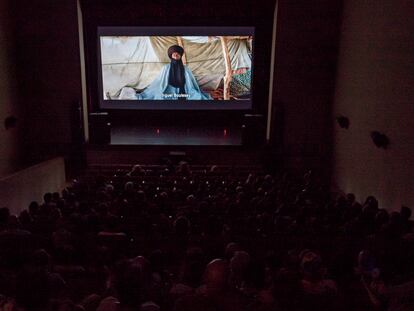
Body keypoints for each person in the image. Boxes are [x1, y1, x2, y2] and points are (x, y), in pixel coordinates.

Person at [136, 45, 212, 100]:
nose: (176, 56)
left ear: (180, 56)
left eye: (177, 54)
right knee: (161, 97)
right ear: (171, 56)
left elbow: (191, 83)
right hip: (169, 90)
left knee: (196, 97)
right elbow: (159, 82)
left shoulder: (186, 69)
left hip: (184, 90)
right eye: (174, 54)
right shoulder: (166, 68)